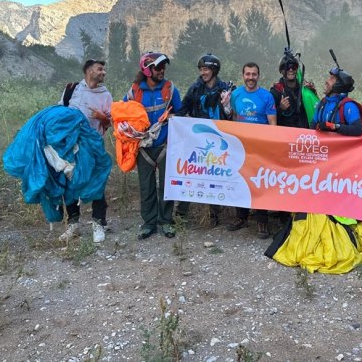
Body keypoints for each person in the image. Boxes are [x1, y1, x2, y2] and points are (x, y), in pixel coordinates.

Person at [265, 63, 362, 273]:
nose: (326, 82)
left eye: (330, 80)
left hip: (340, 167)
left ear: (338, 85)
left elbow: (357, 128)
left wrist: (334, 127)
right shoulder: (322, 103)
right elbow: (313, 128)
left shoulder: (347, 105)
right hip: (320, 165)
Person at [123, 52, 183, 239]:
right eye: (158, 67)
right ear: (147, 70)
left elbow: (180, 113)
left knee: (167, 185)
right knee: (146, 186)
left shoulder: (170, 89)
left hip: (165, 145)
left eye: (163, 66)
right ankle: (149, 223)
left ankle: (166, 221)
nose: (162, 70)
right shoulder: (134, 92)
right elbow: (124, 115)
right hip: (143, 147)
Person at [174, 53, 233, 225]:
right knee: (190, 173)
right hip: (196, 139)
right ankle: (181, 213)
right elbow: (183, 109)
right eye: (201, 69)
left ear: (214, 70)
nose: (202, 73)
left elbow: (231, 115)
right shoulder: (195, 88)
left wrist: (227, 105)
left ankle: (214, 214)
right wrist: (173, 121)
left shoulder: (224, 88)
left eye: (205, 69)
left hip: (218, 139)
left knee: (215, 175)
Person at [58, 59, 113, 243]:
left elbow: (109, 123)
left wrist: (101, 117)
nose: (103, 72)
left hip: (95, 145)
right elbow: (60, 114)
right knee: (70, 183)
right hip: (72, 146)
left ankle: (98, 223)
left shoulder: (105, 95)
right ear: (89, 71)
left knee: (98, 181)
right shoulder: (72, 89)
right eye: (100, 69)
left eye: (104, 70)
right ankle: (73, 224)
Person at [226, 62, 277, 238]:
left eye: (254, 74)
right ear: (243, 75)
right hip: (240, 146)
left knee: (259, 182)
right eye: (247, 74)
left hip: (260, 147)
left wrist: (270, 145)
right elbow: (233, 117)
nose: (250, 78)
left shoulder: (267, 96)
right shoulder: (235, 94)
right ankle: (241, 217)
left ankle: (262, 220)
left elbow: (272, 122)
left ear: (258, 76)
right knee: (240, 180)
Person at [270, 53, 311, 129]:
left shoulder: (304, 89)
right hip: (284, 136)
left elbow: (313, 108)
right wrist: (280, 108)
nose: (291, 69)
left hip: (303, 136)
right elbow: (269, 118)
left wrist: (312, 93)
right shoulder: (276, 91)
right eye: (287, 67)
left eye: (293, 67)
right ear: (282, 71)